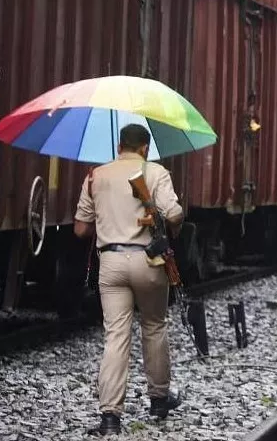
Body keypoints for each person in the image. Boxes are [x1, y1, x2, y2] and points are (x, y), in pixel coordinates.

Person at [73, 124, 184, 436]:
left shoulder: (96, 175)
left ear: (119, 145)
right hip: (149, 261)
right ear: (145, 148)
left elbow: (81, 230)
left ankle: (110, 416)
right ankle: (159, 400)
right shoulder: (155, 172)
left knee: (115, 337)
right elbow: (174, 214)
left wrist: (107, 220)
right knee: (154, 326)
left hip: (110, 262)